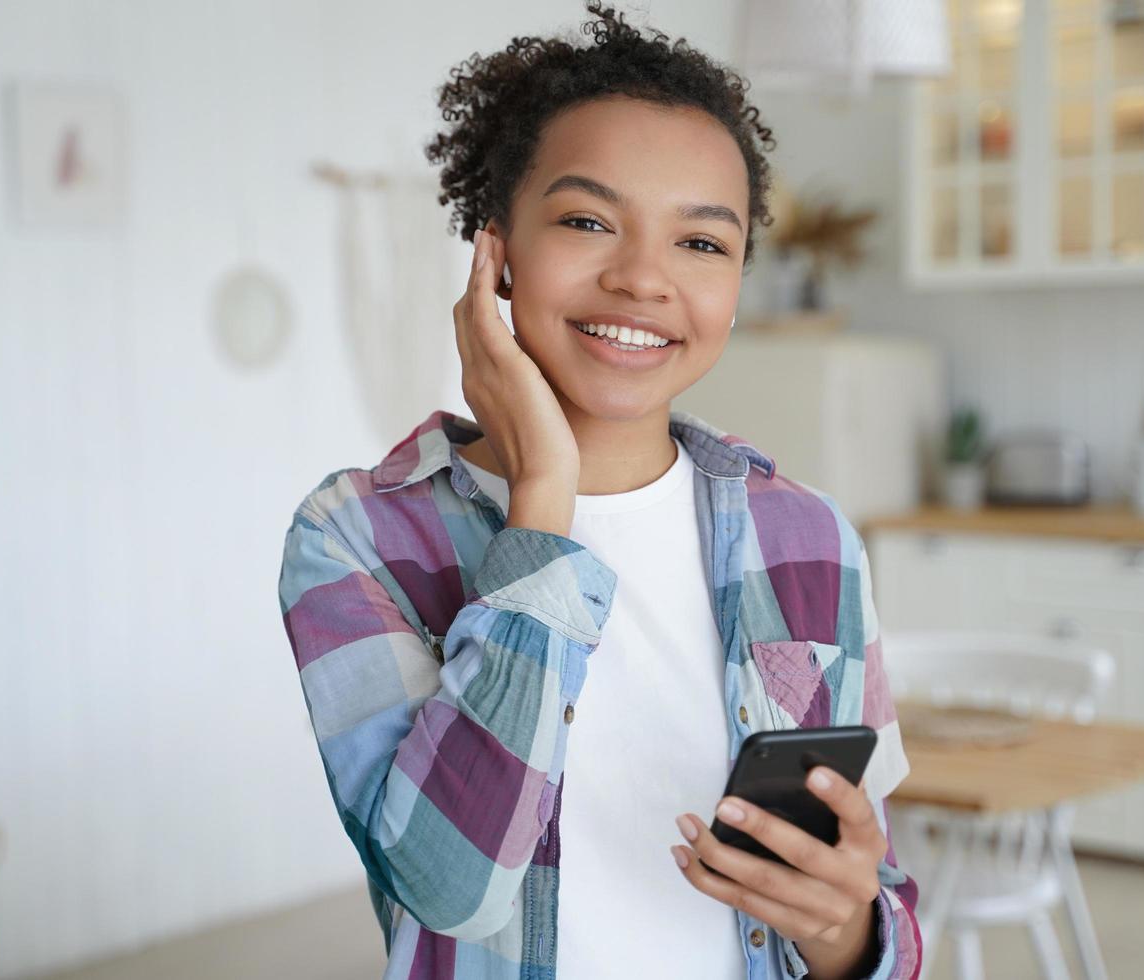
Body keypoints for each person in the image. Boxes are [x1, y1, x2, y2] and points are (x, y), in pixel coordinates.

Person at [277, 3, 921, 977]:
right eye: (587, 221)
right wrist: (544, 491)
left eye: (701, 243)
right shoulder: (359, 534)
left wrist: (846, 930)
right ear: (496, 249)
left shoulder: (813, 539)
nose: (642, 279)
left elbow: (879, 895)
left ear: (739, 282)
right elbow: (450, 882)